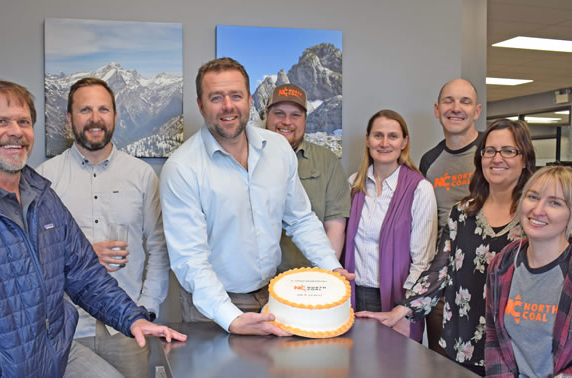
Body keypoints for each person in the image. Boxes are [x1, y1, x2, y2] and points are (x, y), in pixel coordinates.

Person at [0, 79, 185, 377]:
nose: (15, 132)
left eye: (23, 122)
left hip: (54, 355)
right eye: (1, 122)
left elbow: (84, 274)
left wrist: (133, 318)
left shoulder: (43, 196)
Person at [159, 57, 353, 336]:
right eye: (216, 97)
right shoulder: (182, 169)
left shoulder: (278, 149)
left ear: (250, 99)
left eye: (236, 95)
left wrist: (331, 268)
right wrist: (231, 317)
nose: (228, 106)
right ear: (201, 106)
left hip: (273, 296)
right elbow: (190, 259)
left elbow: (300, 219)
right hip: (213, 307)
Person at [360, 119, 536, 376]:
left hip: (517, 350)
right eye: (489, 150)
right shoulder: (463, 212)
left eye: (508, 151)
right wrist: (402, 309)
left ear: (524, 158)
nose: (497, 158)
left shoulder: (537, 217)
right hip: (462, 345)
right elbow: (439, 271)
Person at [36, 77, 170, 377]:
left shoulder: (142, 175)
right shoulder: (44, 179)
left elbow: (160, 249)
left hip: (126, 328)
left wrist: (145, 308)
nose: (95, 119)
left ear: (115, 117)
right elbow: (32, 258)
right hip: (67, 329)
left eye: (103, 110)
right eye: (85, 110)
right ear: (69, 119)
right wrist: (78, 257)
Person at [343, 109, 437, 342]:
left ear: (404, 142)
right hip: (353, 296)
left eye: (393, 136)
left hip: (395, 300)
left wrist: (405, 310)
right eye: (378, 135)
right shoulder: (354, 183)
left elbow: (423, 262)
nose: (384, 143)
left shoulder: (420, 189)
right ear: (367, 140)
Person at [486, 165, 572, 377]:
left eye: (554, 202)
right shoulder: (502, 263)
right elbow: (494, 339)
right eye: (533, 197)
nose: (538, 210)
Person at [419, 78, 485, 354]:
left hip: (486, 274)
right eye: (449, 101)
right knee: (441, 358)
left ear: (477, 111)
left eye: (465, 101)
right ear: (437, 109)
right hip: (443, 278)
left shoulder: (492, 151)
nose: (456, 108)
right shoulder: (429, 161)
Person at [264, 83, 350, 272]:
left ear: (305, 120)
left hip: (307, 281)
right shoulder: (245, 157)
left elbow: (335, 226)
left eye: (295, 115)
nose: (287, 121)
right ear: (266, 115)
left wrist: (324, 276)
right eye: (279, 113)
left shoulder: (326, 161)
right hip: (252, 285)